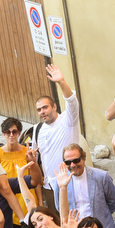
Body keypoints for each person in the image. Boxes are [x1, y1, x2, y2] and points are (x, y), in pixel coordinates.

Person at [29, 64, 79, 208]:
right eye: (39, 109)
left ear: (55, 107)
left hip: (71, 181)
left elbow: (72, 103)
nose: (42, 112)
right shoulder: (37, 129)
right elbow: (38, 159)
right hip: (49, 186)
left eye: (45, 107)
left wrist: (61, 82)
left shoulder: (67, 121)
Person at [56, 147, 115, 228]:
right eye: (68, 162)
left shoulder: (101, 177)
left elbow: (113, 202)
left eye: (76, 160)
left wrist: (102, 214)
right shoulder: (61, 181)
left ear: (84, 158)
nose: (72, 165)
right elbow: (60, 207)